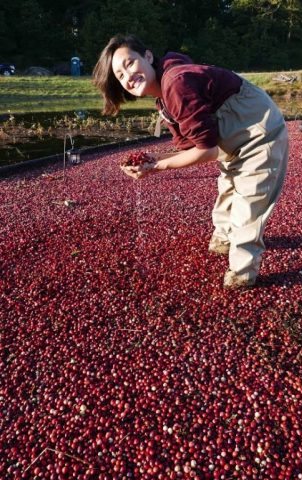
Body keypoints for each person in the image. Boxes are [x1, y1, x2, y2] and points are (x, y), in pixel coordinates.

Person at [93, 34, 289, 289]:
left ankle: (243, 272)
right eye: (119, 75)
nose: (127, 76)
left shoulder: (176, 82)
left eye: (129, 63)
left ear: (148, 57)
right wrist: (154, 159)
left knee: (248, 203)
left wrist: (156, 166)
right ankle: (223, 238)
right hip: (231, 139)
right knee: (228, 188)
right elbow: (191, 146)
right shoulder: (164, 99)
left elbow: (206, 152)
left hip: (260, 132)